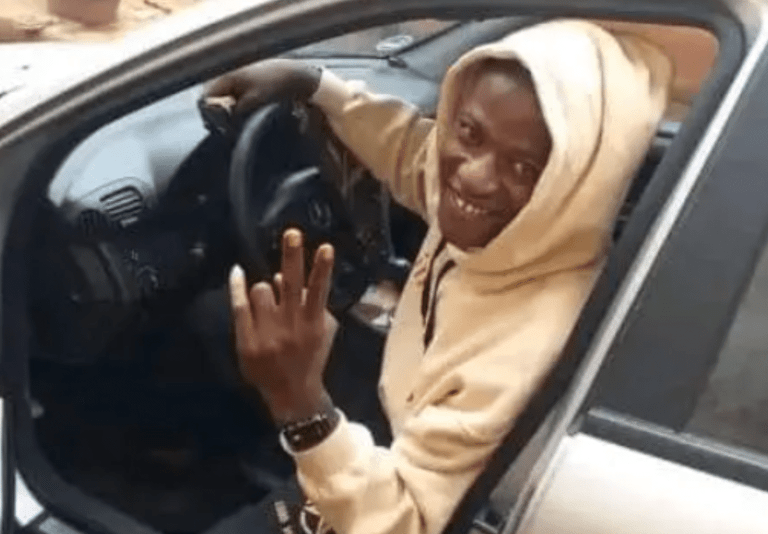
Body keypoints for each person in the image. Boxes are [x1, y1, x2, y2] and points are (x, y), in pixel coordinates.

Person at [208, 19, 672, 534]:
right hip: (406, 415)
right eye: (469, 132)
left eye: (523, 167)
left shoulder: (528, 347)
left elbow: (408, 521)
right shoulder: (524, 223)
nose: (472, 174)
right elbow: (413, 155)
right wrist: (315, 85)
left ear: (571, 185)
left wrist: (301, 405)